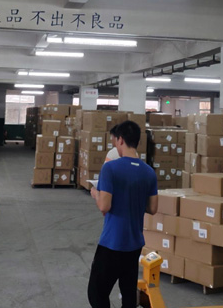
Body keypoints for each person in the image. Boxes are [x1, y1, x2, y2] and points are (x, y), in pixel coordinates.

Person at [88, 121, 158, 308]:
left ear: (120, 140)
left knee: (96, 293)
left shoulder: (110, 168)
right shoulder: (149, 172)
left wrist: (95, 193)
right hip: (134, 243)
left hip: (112, 242)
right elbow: (152, 208)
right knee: (128, 293)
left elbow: (104, 206)